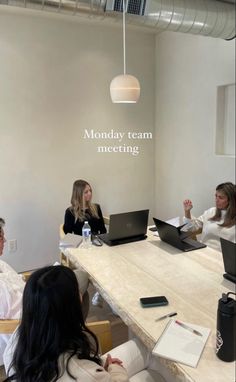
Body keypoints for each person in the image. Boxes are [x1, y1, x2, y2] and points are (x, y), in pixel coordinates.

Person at [3, 266, 166, 382]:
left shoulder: (20, 340)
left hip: (86, 366)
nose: (81, 296)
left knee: (148, 349)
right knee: (155, 372)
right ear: (69, 308)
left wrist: (101, 365)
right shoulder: (86, 374)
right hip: (91, 372)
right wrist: (114, 369)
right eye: (77, 293)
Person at [183, 182, 236, 252]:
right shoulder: (211, 212)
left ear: (230, 200)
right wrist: (187, 212)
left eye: (221, 197)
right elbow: (191, 228)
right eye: (216, 196)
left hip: (224, 257)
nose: (216, 200)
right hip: (203, 251)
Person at [0, 218, 25, 367]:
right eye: (2, 237)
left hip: (34, 301)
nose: (5, 240)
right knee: (79, 290)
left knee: (76, 280)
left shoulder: (1, 263)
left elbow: (18, 280)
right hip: (31, 325)